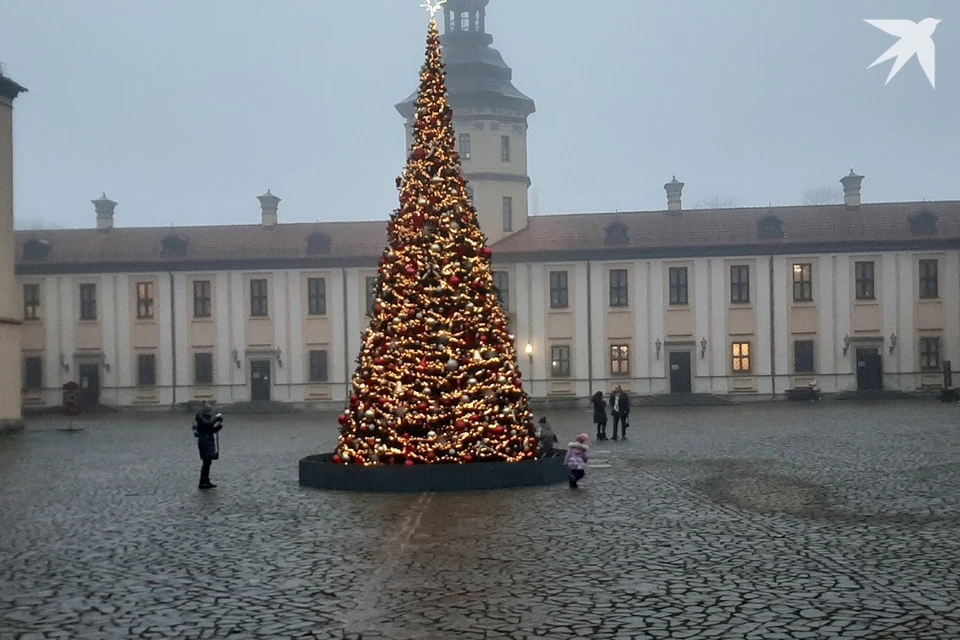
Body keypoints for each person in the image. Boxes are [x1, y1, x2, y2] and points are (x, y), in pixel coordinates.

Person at [194, 402, 223, 490]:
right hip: (204, 441)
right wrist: (216, 418)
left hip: (208, 440)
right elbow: (208, 425)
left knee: (208, 462)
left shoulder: (205, 419)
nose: (211, 413)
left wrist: (218, 427)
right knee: (206, 462)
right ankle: (203, 481)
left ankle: (206, 480)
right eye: (209, 411)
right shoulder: (200, 418)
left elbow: (210, 429)